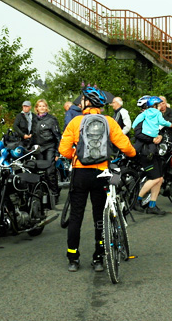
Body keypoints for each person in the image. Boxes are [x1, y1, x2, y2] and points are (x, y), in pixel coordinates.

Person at [59, 86, 136, 272]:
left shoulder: (76, 122)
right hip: (101, 172)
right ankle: (99, 257)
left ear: (86, 103)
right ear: (101, 105)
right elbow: (125, 146)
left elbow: (63, 150)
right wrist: (133, 154)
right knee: (99, 216)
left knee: (76, 215)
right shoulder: (109, 121)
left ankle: (73, 257)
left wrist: (74, 156)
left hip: (80, 173)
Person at [131, 96, 168, 215]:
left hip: (154, 151)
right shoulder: (142, 117)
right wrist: (152, 139)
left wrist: (160, 137)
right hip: (145, 152)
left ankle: (152, 205)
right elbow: (138, 134)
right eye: (157, 105)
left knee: (160, 179)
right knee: (155, 178)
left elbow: (160, 130)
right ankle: (136, 201)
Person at [31, 99, 61, 200]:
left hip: (49, 147)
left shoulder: (52, 119)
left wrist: (57, 152)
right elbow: (33, 135)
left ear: (46, 107)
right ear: (36, 108)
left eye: (43, 106)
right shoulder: (34, 119)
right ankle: (42, 194)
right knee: (39, 172)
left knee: (49, 172)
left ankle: (54, 194)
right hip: (38, 148)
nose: (42, 108)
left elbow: (58, 137)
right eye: (40, 106)